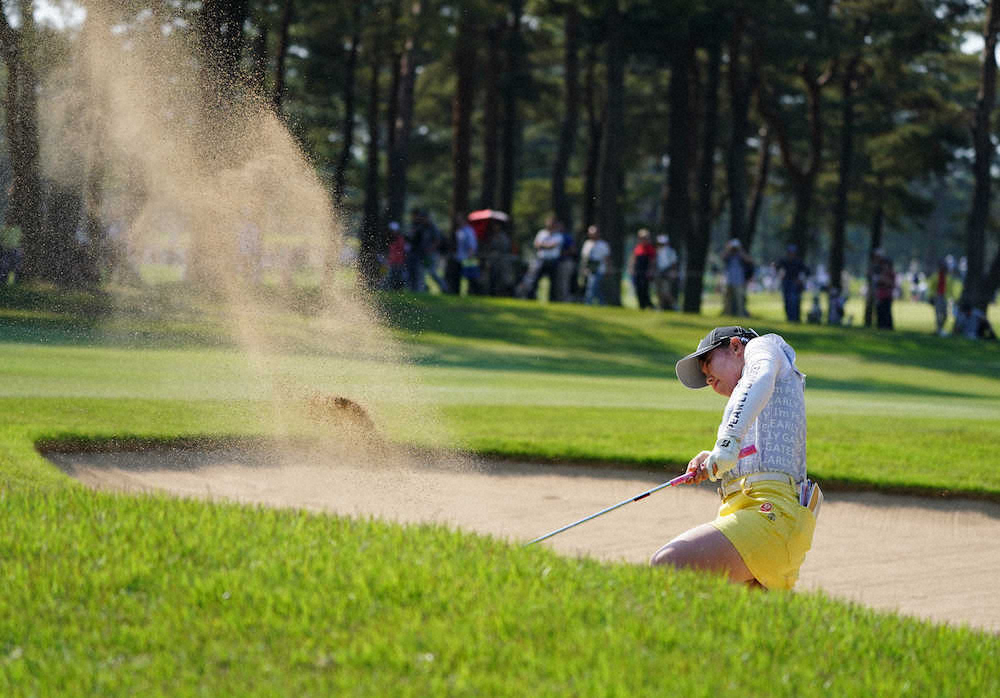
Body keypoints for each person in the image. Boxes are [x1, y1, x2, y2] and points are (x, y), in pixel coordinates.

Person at [651, 326, 820, 591]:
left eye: (708, 364)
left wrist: (727, 443)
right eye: (705, 377)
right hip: (748, 510)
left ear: (735, 346)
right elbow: (756, 449)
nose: (708, 379)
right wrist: (715, 459)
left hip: (771, 511)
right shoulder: (748, 399)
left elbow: (759, 376)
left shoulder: (764, 346)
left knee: (668, 562)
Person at [517, 215, 563, 300]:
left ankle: (552, 299)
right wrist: (546, 245)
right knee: (534, 279)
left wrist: (543, 245)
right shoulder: (542, 233)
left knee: (553, 282)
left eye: (552, 223)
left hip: (553, 261)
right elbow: (536, 245)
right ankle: (531, 297)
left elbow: (551, 246)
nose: (550, 224)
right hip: (541, 259)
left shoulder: (559, 235)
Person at [775, 245, 809, 322]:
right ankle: (790, 318)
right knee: (787, 301)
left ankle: (796, 318)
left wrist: (800, 279)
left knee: (795, 302)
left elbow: (807, 271)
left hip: (795, 284)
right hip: (786, 283)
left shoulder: (798, 261)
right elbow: (777, 267)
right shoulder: (784, 260)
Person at [578, 225, 610, 305]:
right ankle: (602, 303)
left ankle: (588, 302)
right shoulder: (587, 244)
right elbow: (584, 258)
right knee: (595, 287)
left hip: (599, 268)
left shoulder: (603, 244)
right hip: (588, 268)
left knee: (592, 286)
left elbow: (607, 258)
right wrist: (583, 268)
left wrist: (607, 269)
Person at [722, 238, 753, 317]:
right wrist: (728, 249)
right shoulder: (728, 255)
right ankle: (727, 314)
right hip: (729, 280)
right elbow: (723, 257)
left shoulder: (741, 255)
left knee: (740, 300)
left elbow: (749, 260)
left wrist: (740, 251)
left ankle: (740, 314)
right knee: (727, 300)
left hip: (739, 281)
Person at [628, 228, 657, 310]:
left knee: (644, 289)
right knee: (638, 289)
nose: (643, 239)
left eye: (645, 238)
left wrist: (650, 271)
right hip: (637, 271)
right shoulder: (638, 248)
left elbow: (652, 261)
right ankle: (641, 306)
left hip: (645, 272)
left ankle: (649, 305)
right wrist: (631, 269)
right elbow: (633, 259)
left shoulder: (650, 248)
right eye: (641, 238)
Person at [928, 258, 957, 336]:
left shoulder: (949, 277)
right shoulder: (935, 276)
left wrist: (953, 298)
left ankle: (940, 328)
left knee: (945, 315)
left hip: (945, 297)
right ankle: (938, 329)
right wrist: (931, 296)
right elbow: (931, 287)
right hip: (937, 296)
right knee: (938, 314)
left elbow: (951, 289)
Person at [871, 249, 895, 330]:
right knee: (880, 312)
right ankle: (881, 327)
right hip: (880, 295)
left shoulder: (890, 273)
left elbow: (891, 284)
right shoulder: (877, 270)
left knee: (886, 313)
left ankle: (887, 327)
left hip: (887, 295)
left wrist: (883, 280)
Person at [654, 234, 679, 310]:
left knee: (666, 292)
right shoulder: (657, 251)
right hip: (659, 272)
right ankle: (660, 307)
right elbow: (655, 262)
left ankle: (674, 305)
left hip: (667, 272)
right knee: (658, 291)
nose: (661, 244)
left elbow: (674, 264)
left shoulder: (671, 251)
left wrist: (673, 272)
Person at [382, 221, 407, 290]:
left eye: (393, 231)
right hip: (391, 261)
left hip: (398, 261)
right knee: (390, 276)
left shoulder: (400, 238)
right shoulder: (390, 238)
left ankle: (397, 289)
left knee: (398, 276)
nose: (392, 232)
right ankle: (389, 288)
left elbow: (401, 249)